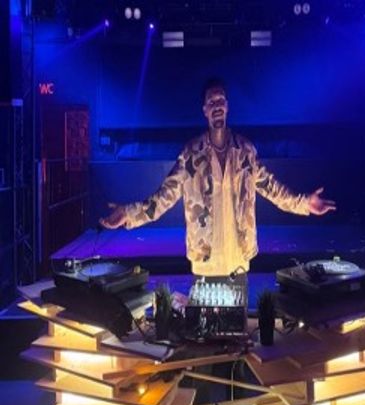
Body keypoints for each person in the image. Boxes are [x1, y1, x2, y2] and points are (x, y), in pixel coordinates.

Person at [100, 78, 336, 279]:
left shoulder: (245, 151)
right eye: (211, 102)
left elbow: (273, 189)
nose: (217, 106)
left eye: (220, 100)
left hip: (239, 260)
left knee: (239, 319)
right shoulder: (191, 154)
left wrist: (305, 203)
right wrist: (128, 213)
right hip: (205, 262)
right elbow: (163, 199)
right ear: (205, 110)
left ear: (227, 106)